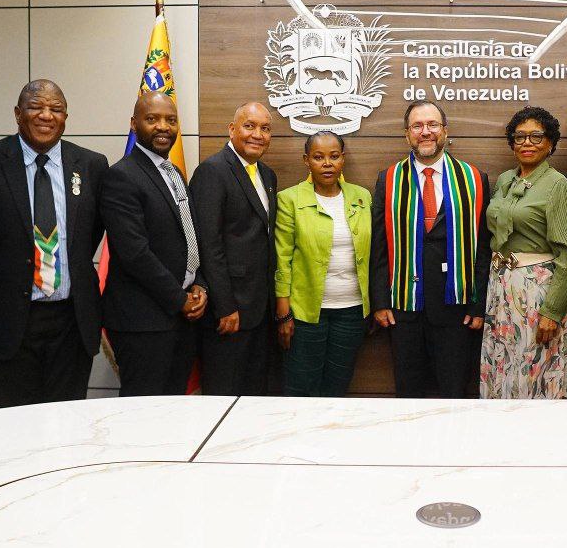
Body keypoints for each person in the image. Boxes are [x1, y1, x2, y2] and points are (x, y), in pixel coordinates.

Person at [0, 80, 109, 408]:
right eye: (36, 107)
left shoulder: (92, 165)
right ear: (18, 114)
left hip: (72, 322)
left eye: (56, 109)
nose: (46, 115)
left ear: (66, 117)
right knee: (13, 423)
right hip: (8, 320)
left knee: (67, 419)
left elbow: (91, 234)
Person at [370, 100, 490, 398]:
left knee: (454, 393)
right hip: (404, 308)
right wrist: (380, 301)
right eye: (417, 126)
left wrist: (478, 305)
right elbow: (379, 245)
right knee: (408, 394)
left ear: (445, 131)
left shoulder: (474, 179)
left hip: (456, 309)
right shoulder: (388, 179)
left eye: (433, 124)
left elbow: (484, 247)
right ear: (407, 134)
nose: (426, 132)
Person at [100, 91, 208, 396]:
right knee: (143, 412)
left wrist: (199, 284)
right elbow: (135, 254)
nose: (163, 126)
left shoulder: (174, 173)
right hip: (142, 322)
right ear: (134, 124)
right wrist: (180, 299)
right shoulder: (121, 176)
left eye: (170, 120)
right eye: (152, 119)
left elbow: (189, 236)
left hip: (181, 319)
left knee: (173, 409)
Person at [481, 106, 567, 399]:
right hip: (502, 289)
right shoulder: (505, 180)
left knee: (538, 371)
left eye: (536, 136)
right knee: (505, 366)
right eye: (520, 137)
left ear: (550, 143)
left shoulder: (557, 185)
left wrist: (552, 311)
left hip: (539, 293)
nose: (527, 143)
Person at [274, 131, 372, 397]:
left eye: (334, 156)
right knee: (302, 391)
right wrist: (283, 313)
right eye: (318, 157)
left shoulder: (362, 197)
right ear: (306, 160)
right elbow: (282, 259)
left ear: (343, 159)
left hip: (352, 312)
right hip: (305, 314)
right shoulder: (290, 199)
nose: (327, 163)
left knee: (337, 390)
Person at [189, 102, 278, 395]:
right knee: (224, 395)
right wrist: (225, 306)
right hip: (229, 311)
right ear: (232, 129)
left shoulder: (267, 175)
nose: (258, 135)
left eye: (265, 129)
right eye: (249, 126)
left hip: (260, 309)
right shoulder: (212, 171)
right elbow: (209, 245)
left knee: (255, 394)